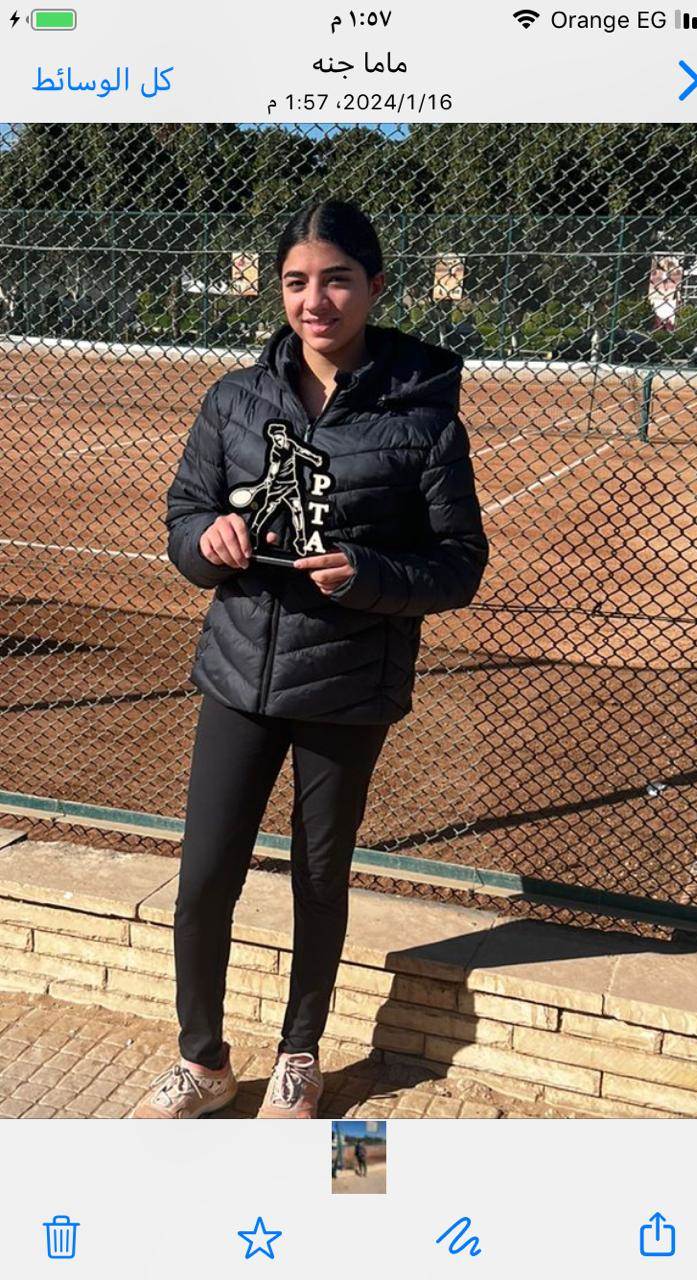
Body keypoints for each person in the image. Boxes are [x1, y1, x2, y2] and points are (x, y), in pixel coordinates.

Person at [131, 198, 489, 1120]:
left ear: (374, 286)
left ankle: (299, 1053)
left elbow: (458, 565)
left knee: (319, 878)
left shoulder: (423, 418)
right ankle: (203, 1061)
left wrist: (368, 574)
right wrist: (202, 541)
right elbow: (183, 515)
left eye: (336, 280)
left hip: (347, 683)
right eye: (296, 282)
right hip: (239, 672)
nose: (314, 300)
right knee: (204, 877)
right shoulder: (234, 398)